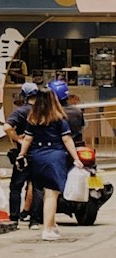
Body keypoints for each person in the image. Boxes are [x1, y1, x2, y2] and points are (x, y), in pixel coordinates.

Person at [18, 87, 83, 242]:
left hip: (37, 157)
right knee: (51, 194)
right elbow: (67, 139)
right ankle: (46, 230)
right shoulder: (59, 118)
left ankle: (52, 225)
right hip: (55, 156)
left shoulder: (33, 118)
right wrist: (76, 157)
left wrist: (21, 154)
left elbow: (27, 139)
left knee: (43, 191)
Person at [5, 81, 43, 226]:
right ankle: (34, 220)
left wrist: (17, 139)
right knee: (37, 186)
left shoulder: (20, 111)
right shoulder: (43, 111)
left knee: (16, 186)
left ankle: (14, 218)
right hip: (40, 153)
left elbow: (7, 127)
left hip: (23, 155)